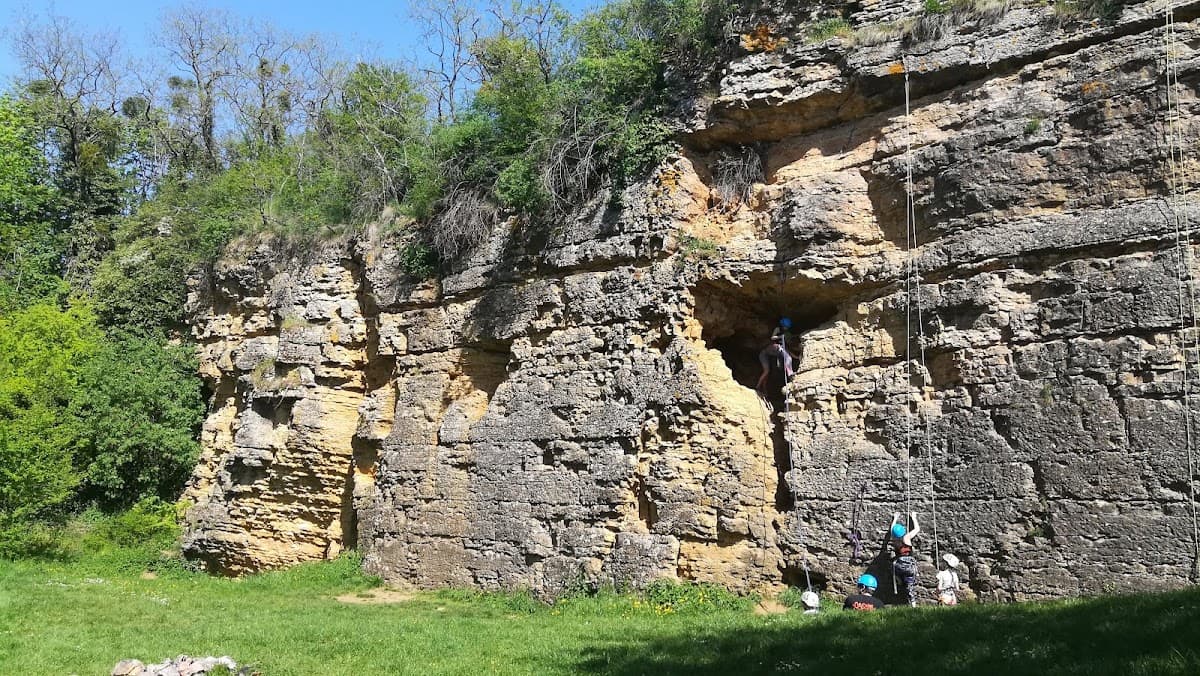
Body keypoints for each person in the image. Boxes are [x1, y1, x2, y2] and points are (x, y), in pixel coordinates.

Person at [890, 512, 921, 607]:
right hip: (908, 565)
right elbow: (917, 529)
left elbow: (892, 529)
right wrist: (914, 517)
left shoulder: (894, 538)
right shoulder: (906, 538)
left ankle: (898, 580)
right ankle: (913, 604)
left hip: (898, 565)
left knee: (900, 578)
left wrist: (895, 518)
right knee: (909, 585)